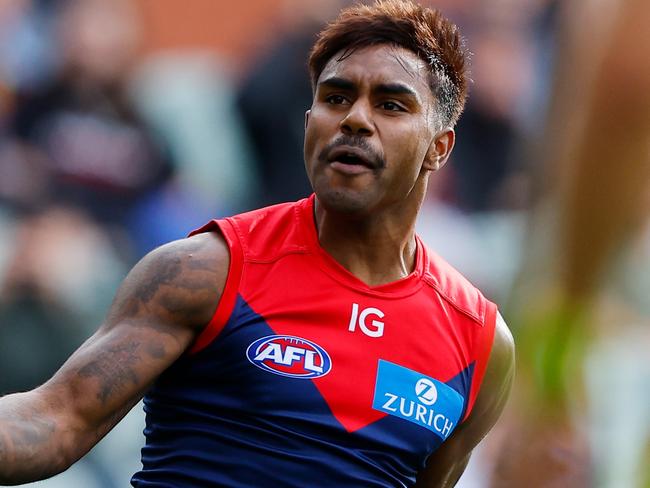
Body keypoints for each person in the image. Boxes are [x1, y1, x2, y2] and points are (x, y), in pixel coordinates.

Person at [0, 1, 515, 486]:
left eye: (391, 104)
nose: (356, 118)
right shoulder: (208, 270)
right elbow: (55, 420)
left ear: (439, 148)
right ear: (310, 122)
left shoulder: (480, 345)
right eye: (336, 97)